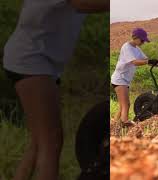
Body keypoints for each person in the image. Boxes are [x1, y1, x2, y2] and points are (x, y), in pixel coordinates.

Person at [2, 1, 108, 180]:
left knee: (39, 141)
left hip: (36, 61)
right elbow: (83, 4)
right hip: (32, 61)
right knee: (51, 140)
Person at [111, 28, 158, 127]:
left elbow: (145, 59)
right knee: (126, 105)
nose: (143, 43)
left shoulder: (136, 48)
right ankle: (124, 123)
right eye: (142, 40)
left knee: (122, 106)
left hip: (125, 80)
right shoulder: (127, 47)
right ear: (135, 38)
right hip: (120, 79)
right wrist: (149, 62)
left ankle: (113, 126)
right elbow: (134, 62)